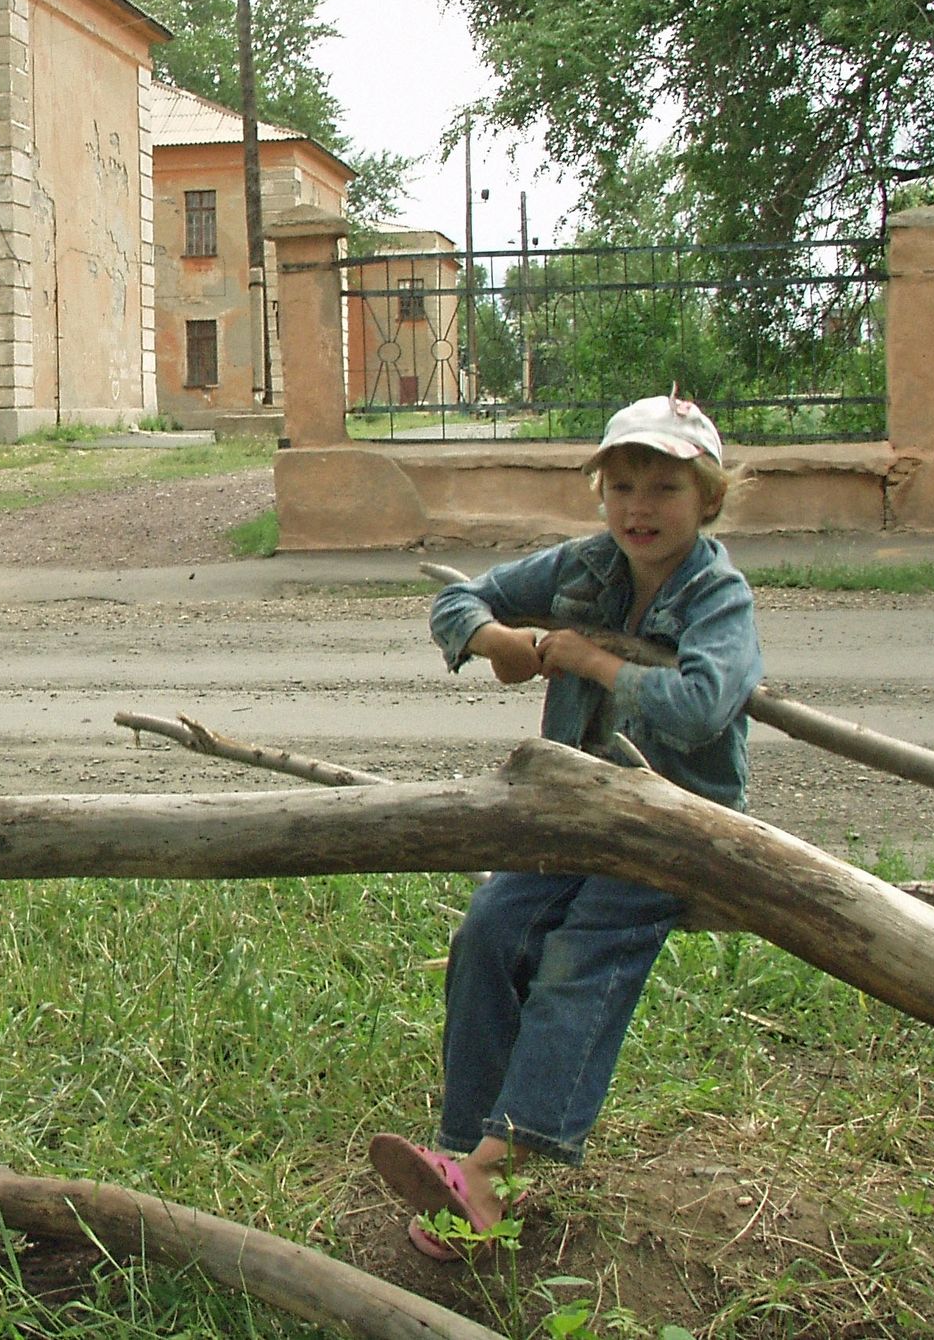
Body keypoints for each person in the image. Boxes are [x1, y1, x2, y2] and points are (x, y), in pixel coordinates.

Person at [369, 390, 762, 1261]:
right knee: (487, 934)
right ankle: (461, 1152)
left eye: (664, 488)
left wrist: (590, 659)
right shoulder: (586, 569)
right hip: (575, 809)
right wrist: (491, 639)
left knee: (581, 960)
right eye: (621, 486)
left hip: (674, 823)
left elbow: (700, 708)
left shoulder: (718, 597)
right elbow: (462, 600)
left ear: (708, 499)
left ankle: (492, 1176)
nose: (638, 508)